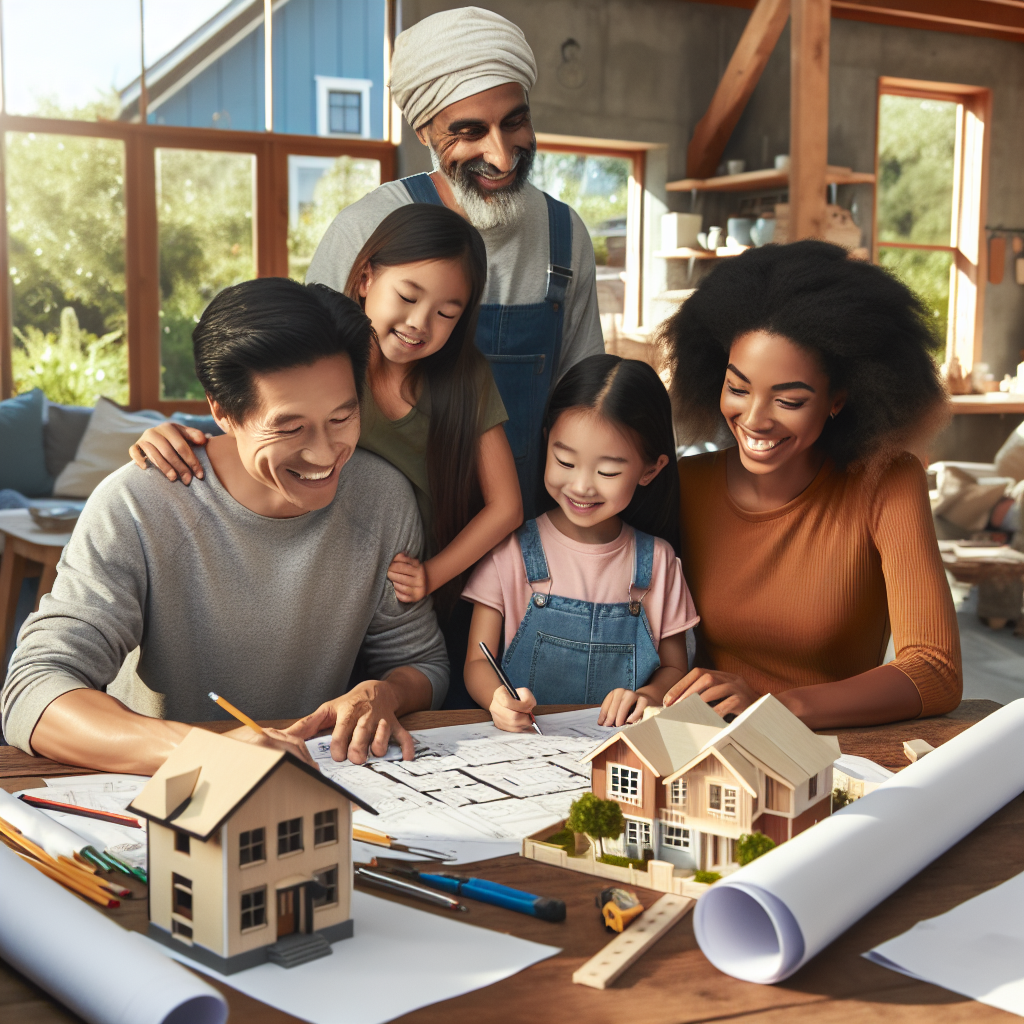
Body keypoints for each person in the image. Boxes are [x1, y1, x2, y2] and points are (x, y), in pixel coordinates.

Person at [1, 279, 448, 773]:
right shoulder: (139, 503)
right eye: (289, 427)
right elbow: (34, 690)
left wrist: (383, 692)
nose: (325, 454)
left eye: (342, 418)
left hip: (317, 781)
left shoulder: (381, 497)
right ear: (222, 410)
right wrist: (204, 752)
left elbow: (424, 664)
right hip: (168, 795)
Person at [129, 205, 522, 617]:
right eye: (407, 297)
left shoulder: (464, 377)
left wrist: (431, 574)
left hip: (423, 586)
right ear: (366, 277)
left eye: (446, 314)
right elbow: (257, 421)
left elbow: (506, 506)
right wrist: (167, 434)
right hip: (335, 575)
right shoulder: (330, 364)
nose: (419, 323)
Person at [306, 6, 604, 516]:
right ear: (424, 132)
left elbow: (586, 402)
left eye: (515, 122)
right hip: (379, 544)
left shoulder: (565, 236)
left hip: (518, 540)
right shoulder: (367, 229)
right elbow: (291, 379)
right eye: (469, 132)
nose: (503, 155)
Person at [661, 241, 962, 729]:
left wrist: (774, 706)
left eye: (790, 400)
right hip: (701, 744)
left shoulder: (886, 481)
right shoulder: (686, 485)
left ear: (839, 399)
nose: (754, 420)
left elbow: (934, 670)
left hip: (833, 753)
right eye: (737, 389)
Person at [463, 355, 699, 732]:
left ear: (650, 470)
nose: (582, 486)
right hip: (525, 751)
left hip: (624, 752)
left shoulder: (659, 562)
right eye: (565, 461)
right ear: (547, 442)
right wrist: (497, 700)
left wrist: (651, 696)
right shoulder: (511, 552)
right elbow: (478, 662)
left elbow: (674, 668)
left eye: (607, 471)